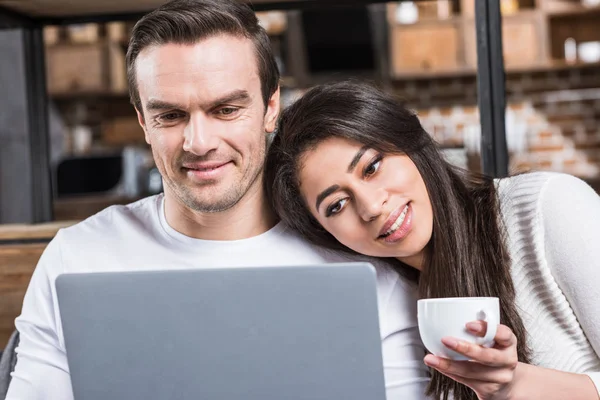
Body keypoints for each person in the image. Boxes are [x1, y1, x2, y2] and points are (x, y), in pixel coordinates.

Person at [5, 2, 431, 399]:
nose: (199, 143)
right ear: (143, 121)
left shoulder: (365, 263)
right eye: (170, 116)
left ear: (270, 107)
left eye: (226, 110)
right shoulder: (77, 257)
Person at [265, 80, 600, 400]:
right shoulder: (389, 304)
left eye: (373, 166)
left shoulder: (545, 208)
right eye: (336, 205)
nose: (370, 207)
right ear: (325, 232)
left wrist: (516, 385)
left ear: (410, 140)